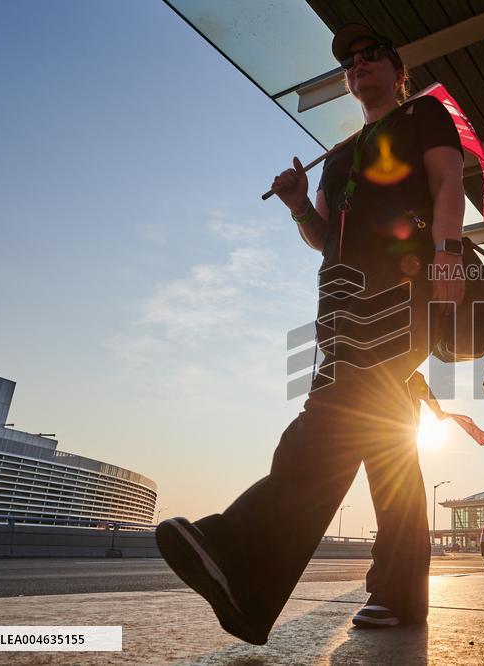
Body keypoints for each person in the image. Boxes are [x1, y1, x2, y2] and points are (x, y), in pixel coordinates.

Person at [155, 23, 467, 640]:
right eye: (350, 61)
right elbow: (323, 239)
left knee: (327, 421)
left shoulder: (424, 116)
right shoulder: (344, 152)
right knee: (387, 446)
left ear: (397, 69)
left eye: (372, 54)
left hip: (400, 293)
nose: (358, 65)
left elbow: (448, 184)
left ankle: (242, 551)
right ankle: (400, 593)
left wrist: (450, 256)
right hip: (340, 308)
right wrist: (300, 203)